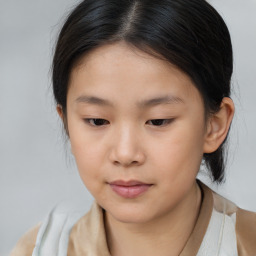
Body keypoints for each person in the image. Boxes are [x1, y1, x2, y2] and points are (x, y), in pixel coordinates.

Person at [10, 0, 256, 255]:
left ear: (213, 126)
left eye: (158, 121)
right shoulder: (40, 249)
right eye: (97, 121)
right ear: (67, 125)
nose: (125, 154)